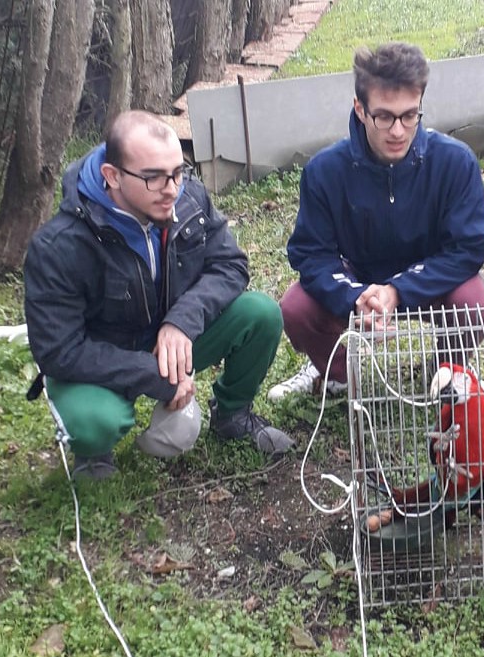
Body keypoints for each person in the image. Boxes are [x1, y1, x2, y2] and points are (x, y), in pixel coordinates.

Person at [24, 110, 293, 480]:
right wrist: (152, 374)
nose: (171, 188)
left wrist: (182, 321)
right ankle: (94, 453)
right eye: (154, 177)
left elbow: (230, 265)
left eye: (178, 172)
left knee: (260, 314)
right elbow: (59, 350)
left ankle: (232, 414)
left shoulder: (187, 199)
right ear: (112, 176)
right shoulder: (59, 246)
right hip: (103, 359)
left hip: (172, 340)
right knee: (93, 420)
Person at [268, 42, 484, 401]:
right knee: (296, 306)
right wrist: (356, 297)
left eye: (409, 115)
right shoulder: (324, 171)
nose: (398, 131)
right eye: (384, 116)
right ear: (360, 109)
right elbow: (311, 255)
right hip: (357, 279)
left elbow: (468, 249)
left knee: (474, 300)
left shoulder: (455, 162)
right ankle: (337, 374)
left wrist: (398, 290)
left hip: (429, 278)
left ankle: (447, 374)